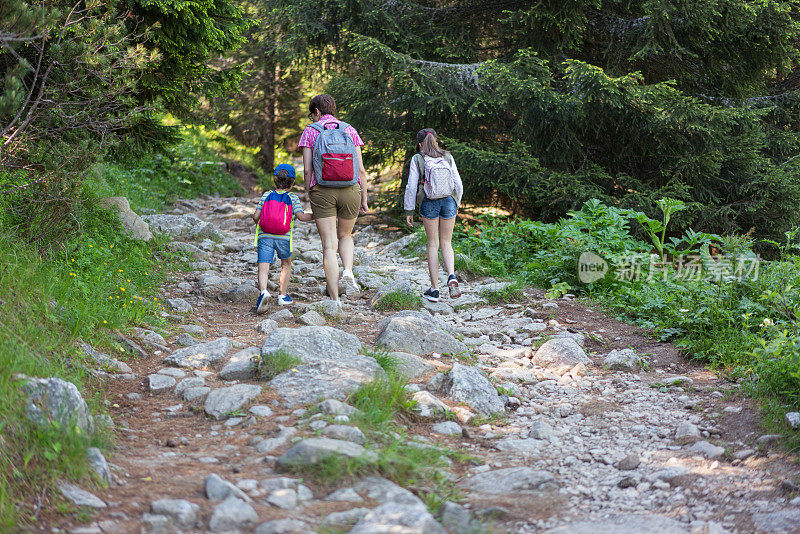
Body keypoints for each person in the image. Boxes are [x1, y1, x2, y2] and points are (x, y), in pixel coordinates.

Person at [299, 94, 369, 310]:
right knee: (346, 235)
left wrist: (309, 191)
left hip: (322, 191)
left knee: (329, 245)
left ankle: (335, 300)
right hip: (350, 190)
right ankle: (348, 270)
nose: (312, 118)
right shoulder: (350, 129)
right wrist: (364, 198)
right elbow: (361, 170)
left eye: (312, 114)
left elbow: (308, 169)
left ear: (317, 112)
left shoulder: (311, 131)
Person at [404, 128, 463, 302]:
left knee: (432, 244)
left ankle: (434, 289)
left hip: (429, 203)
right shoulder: (447, 156)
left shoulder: (418, 158)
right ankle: (451, 275)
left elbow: (411, 187)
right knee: (447, 243)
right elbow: (458, 183)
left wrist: (409, 210)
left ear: (420, 144)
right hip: (448, 201)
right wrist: (456, 203)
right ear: (436, 141)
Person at [252, 163, 314, 314]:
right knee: (286, 264)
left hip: (264, 236)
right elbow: (302, 217)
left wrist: (262, 223)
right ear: (293, 182)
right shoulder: (293, 198)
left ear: (275, 179)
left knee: (263, 265)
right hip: (284, 238)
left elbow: (255, 217)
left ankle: (264, 292)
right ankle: (282, 296)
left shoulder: (266, 195)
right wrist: (318, 214)